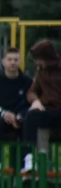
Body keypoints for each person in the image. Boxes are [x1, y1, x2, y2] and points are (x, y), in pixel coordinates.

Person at [0, 48, 33, 174]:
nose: (12, 63)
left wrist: (20, 115)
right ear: (3, 62)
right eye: (9, 59)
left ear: (20, 62)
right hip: (1, 119)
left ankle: (27, 164)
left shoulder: (27, 81)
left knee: (28, 123)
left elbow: (31, 103)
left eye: (16, 60)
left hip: (20, 119)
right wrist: (4, 113)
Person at [24, 39, 61, 168]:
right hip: (48, 110)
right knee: (31, 117)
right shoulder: (41, 72)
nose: (37, 62)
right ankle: (30, 158)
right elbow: (31, 91)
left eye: (39, 59)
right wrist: (36, 101)